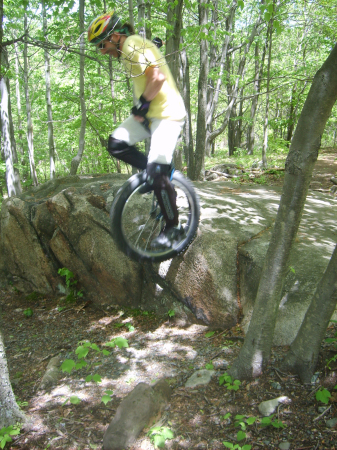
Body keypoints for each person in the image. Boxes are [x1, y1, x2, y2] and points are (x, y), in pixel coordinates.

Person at [87, 10, 186, 249]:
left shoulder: (130, 45)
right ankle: (159, 176)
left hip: (168, 115)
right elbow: (150, 53)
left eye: (102, 44)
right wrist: (156, 46)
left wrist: (141, 106)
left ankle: (174, 228)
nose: (102, 51)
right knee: (116, 143)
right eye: (98, 47)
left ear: (116, 36)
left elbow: (158, 78)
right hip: (152, 115)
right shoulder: (131, 47)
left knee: (155, 170)